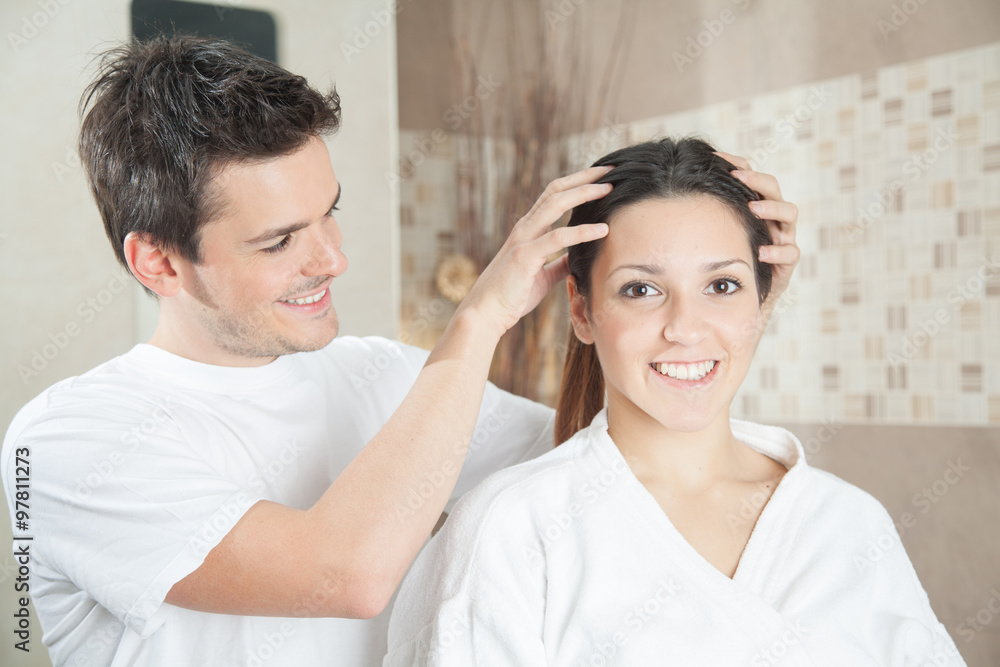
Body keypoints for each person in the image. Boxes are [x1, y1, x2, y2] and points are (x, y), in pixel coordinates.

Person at [0, 36, 799, 667]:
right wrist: (482, 313)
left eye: (330, 213)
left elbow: (612, 461)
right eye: (280, 241)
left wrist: (735, 310)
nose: (332, 259)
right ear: (158, 262)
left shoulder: (381, 374)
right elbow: (345, 573)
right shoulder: (68, 440)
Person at [384, 138, 965, 666]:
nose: (686, 328)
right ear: (582, 310)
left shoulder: (849, 523)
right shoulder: (512, 528)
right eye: (641, 289)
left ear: (762, 298)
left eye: (722, 285)